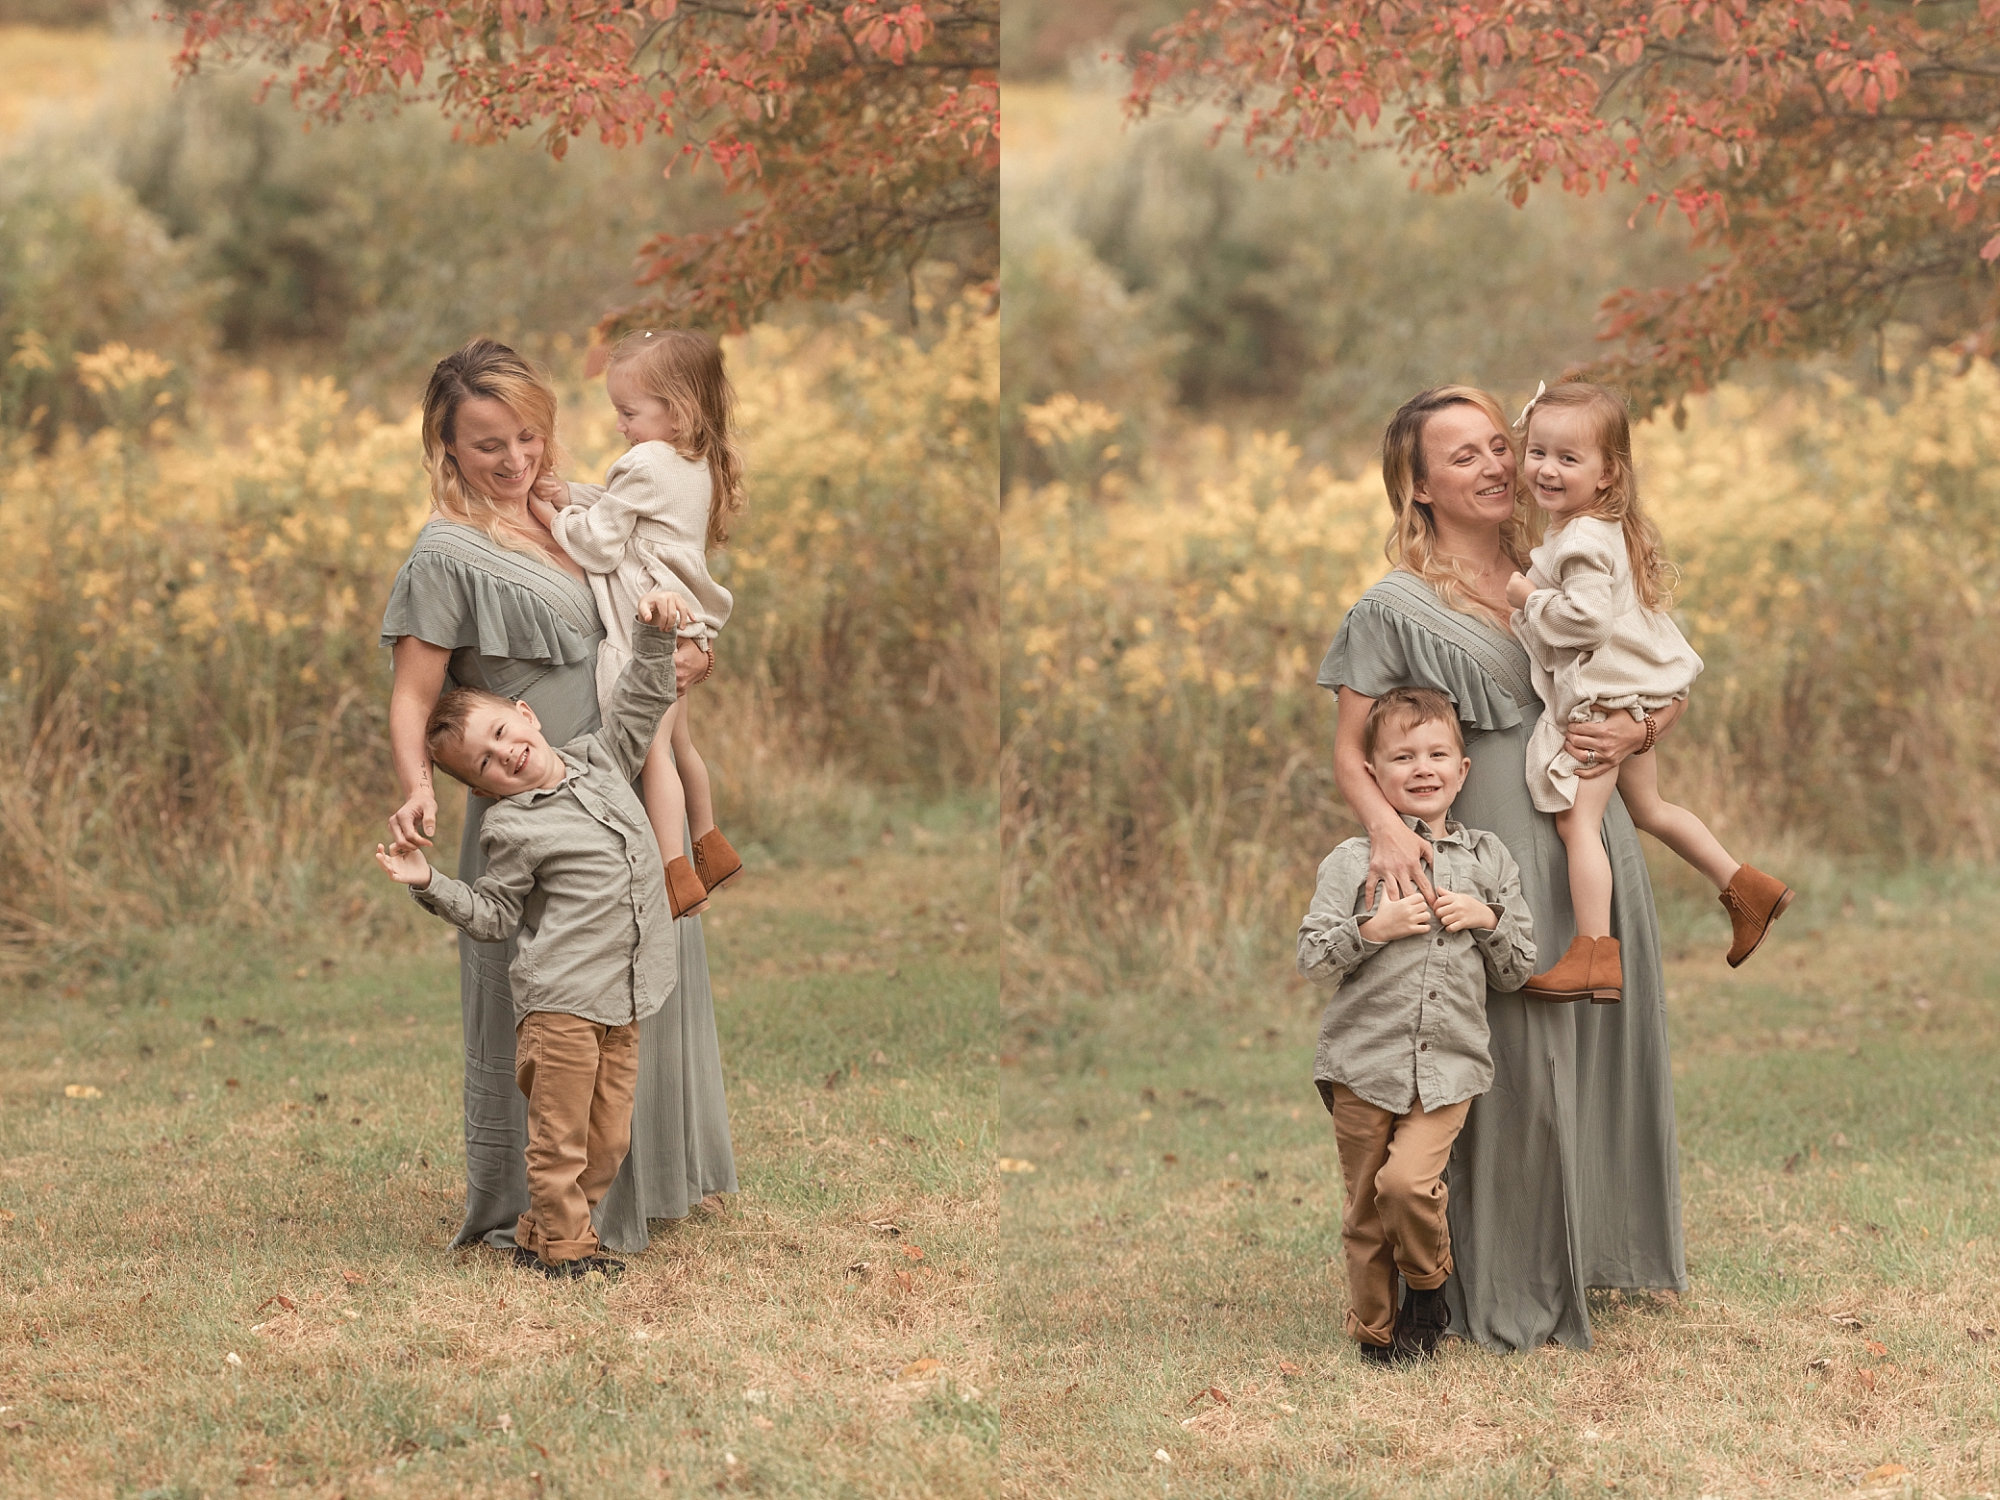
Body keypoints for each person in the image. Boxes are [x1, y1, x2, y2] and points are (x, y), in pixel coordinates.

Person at [1318, 384, 1685, 1352]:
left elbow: (1652, 668)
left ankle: (1589, 1252)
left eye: (1497, 447)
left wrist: (1641, 723)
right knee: (1507, 1061)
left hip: (1583, 834)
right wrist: (1388, 834)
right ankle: (1478, 1274)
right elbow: (1349, 751)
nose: (1493, 468)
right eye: (1463, 456)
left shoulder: (1561, 564)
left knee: (1584, 1052)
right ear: (1419, 486)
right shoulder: (1392, 604)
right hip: (1482, 850)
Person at [380, 337, 737, 1258]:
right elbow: (415, 697)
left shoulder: (577, 512)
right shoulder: (446, 553)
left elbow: (646, 602)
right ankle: (543, 1210)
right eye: (489, 444)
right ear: (446, 447)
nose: (515, 460)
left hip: (619, 784)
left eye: (529, 436)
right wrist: (417, 787)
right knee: (545, 998)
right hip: (533, 810)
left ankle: (645, 1183)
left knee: (641, 972)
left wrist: (688, 650)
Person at [374, 610, 698, 1278]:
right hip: (561, 1008)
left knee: (607, 1140)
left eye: (500, 733)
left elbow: (641, 698)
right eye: (484, 763)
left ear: (527, 714)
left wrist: (659, 636)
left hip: (626, 996)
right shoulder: (512, 830)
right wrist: (429, 881)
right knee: (560, 1143)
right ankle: (566, 1253)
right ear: (484, 790)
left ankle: (534, 1234)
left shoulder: (601, 761)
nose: (504, 754)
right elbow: (494, 912)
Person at [1503, 382, 1793, 1002]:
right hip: (1631, 695)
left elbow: (1585, 622)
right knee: (1650, 810)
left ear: (1608, 473)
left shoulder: (1579, 540)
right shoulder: (1599, 529)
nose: (1546, 469)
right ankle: (1748, 888)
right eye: (1538, 452)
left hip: (1605, 702)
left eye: (1568, 458)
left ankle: (1593, 954)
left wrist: (1527, 597)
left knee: (1576, 825)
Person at [1299, 687, 1536, 1363]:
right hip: (1361, 1063)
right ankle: (1378, 1335)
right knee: (1364, 1215)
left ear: (1463, 771)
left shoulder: (1488, 860)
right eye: (1403, 757)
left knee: (1404, 1186)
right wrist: (1371, 929)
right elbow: (1312, 955)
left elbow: (1518, 966)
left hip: (1450, 1064)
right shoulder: (1352, 861)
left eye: (1438, 754)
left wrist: (1486, 920)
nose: (1423, 767)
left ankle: (1428, 1289)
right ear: (1373, 775)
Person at [530, 328, 745, 919]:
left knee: (653, 755)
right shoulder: (693, 461)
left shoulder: (645, 460)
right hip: (687, 622)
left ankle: (674, 871)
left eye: (628, 412)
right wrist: (572, 490)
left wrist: (554, 515)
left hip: (650, 629)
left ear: (674, 412)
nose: (620, 425)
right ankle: (710, 843)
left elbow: (599, 544)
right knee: (682, 744)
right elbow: (624, 506)